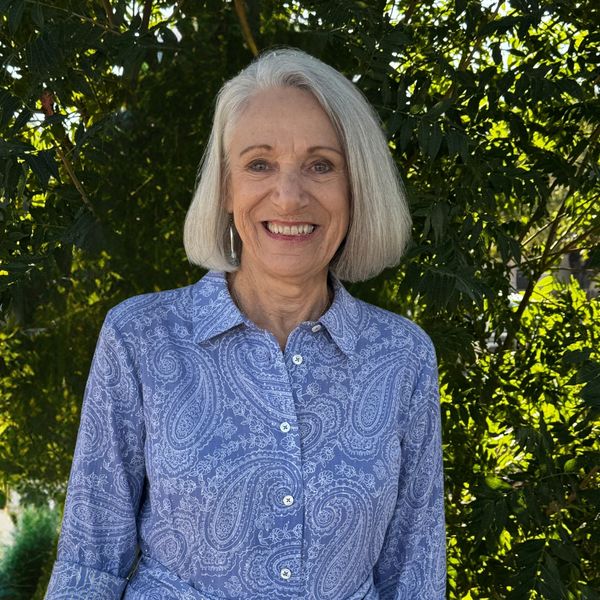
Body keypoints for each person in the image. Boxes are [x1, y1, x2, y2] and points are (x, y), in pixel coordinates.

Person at [45, 48, 446, 599]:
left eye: (321, 165)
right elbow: (89, 563)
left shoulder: (402, 355)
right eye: (259, 164)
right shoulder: (140, 339)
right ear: (226, 188)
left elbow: (415, 571)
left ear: (357, 189)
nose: (289, 196)